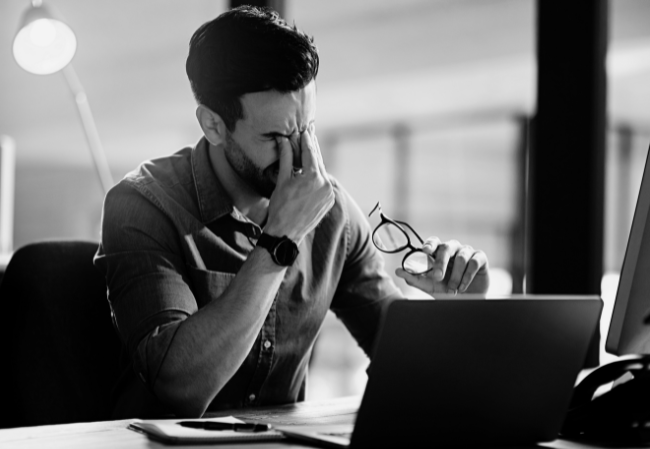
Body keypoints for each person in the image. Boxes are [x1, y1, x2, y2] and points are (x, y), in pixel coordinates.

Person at [94, 5, 490, 419]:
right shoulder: (141, 205)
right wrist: (279, 241)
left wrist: (458, 315)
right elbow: (180, 389)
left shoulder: (333, 213)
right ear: (213, 126)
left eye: (308, 129)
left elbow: (409, 373)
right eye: (277, 137)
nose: (300, 156)